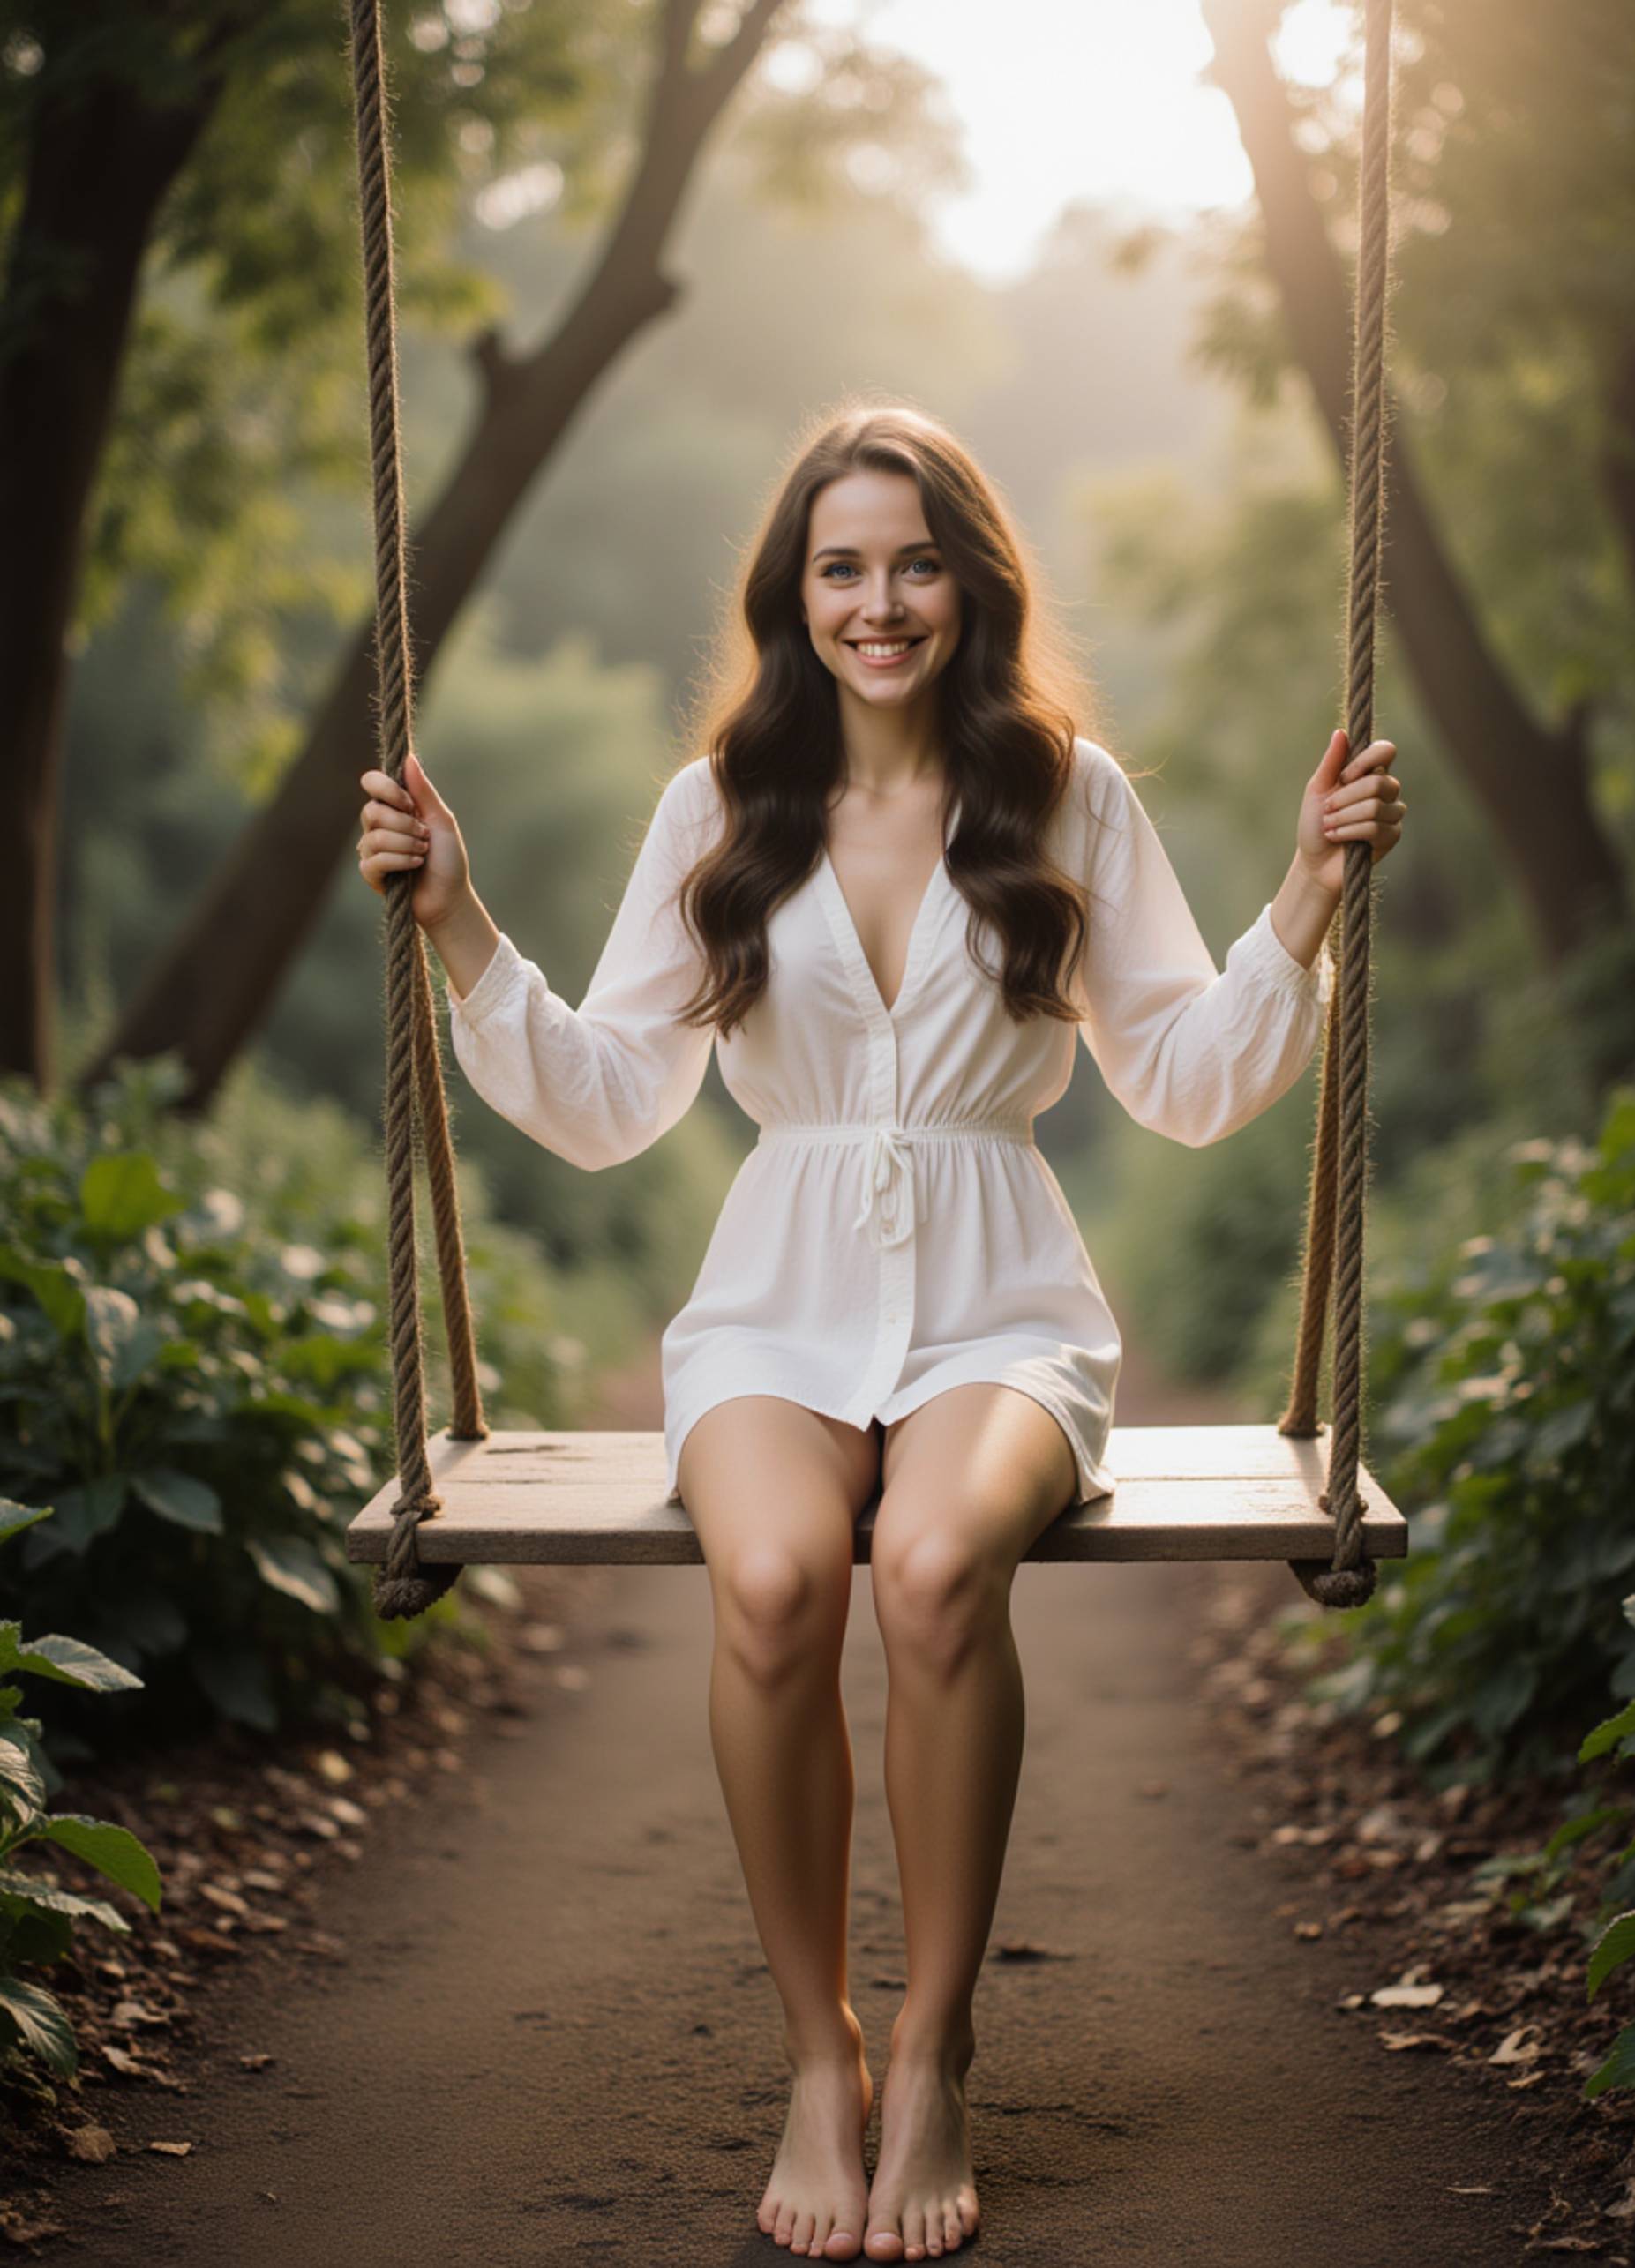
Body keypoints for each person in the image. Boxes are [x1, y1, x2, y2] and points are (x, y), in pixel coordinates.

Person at [357, 400, 1406, 2263]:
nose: (879, 599)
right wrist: (459, 924)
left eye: (915, 560)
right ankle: (814, 2050)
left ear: (970, 583)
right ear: (793, 593)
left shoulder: (1068, 792)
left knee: (930, 1564)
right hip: (775, 1293)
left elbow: (1176, 1076)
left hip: (1006, 1295)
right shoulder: (722, 809)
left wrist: (1305, 905)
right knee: (768, 1580)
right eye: (841, 565)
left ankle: (933, 2044)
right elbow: (612, 1096)